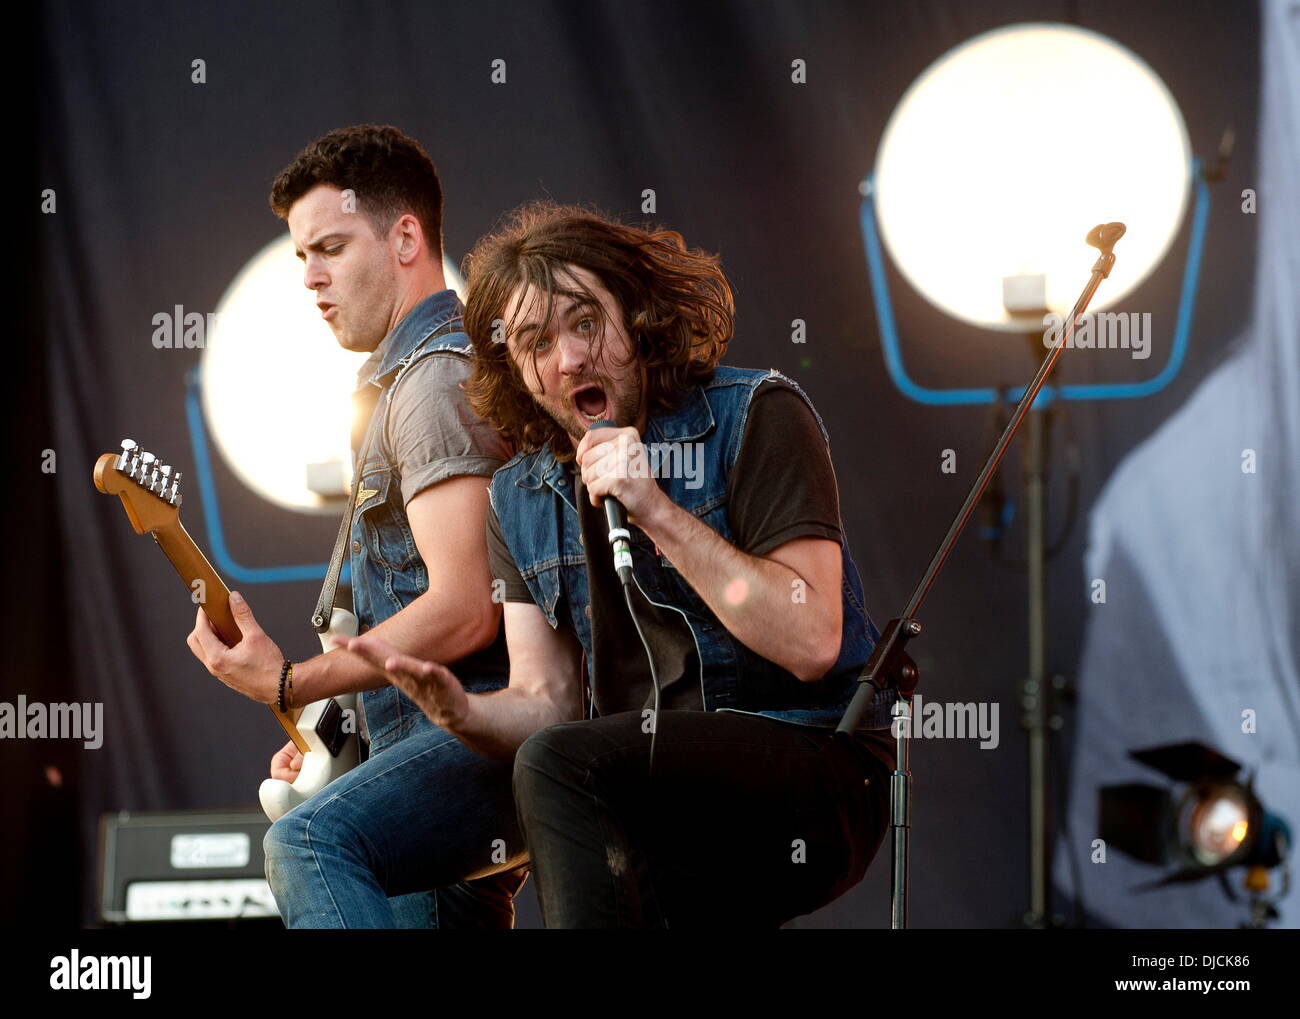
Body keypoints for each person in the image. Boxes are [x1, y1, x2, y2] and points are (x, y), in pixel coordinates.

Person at [346, 202, 897, 927]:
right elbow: (545, 700)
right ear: (518, 371)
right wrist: (462, 712)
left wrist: (656, 510)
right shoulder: (519, 493)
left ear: (637, 317)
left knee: (559, 764)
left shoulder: (754, 413)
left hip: (813, 758)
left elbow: (811, 640)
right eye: (538, 342)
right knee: (551, 756)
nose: (570, 357)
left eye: (584, 322)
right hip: (658, 783)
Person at [185, 125, 528, 928]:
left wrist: (294, 682)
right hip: (416, 746)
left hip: (469, 736)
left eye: (330, 247)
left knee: (308, 842)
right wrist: (341, 744)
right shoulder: (395, 388)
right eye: (302, 254)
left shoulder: (436, 380)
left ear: (406, 236)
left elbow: (466, 607)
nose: (310, 277)